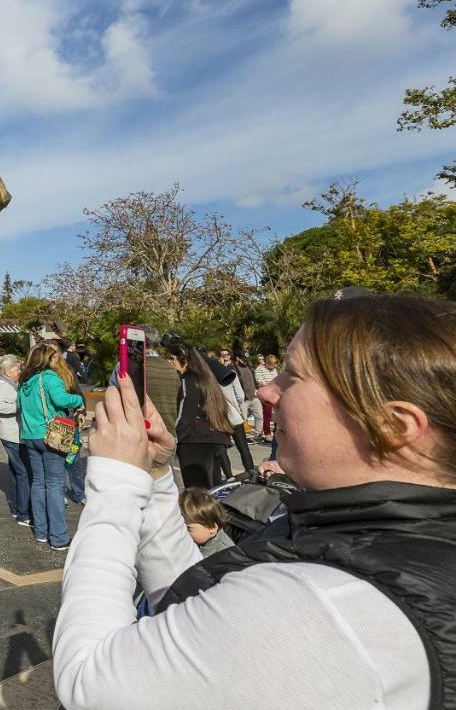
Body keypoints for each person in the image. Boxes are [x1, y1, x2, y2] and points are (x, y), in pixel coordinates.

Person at [54, 293, 456, 710]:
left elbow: (90, 682)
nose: (266, 392)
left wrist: (116, 482)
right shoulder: (389, 540)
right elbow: (203, 605)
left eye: (293, 376)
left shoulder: (326, 609)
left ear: (393, 426)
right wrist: (156, 477)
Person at [18, 343, 84, 550]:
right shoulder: (49, 378)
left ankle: (41, 531)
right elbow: (62, 399)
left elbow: (19, 407)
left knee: (38, 483)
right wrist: (78, 399)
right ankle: (58, 537)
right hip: (51, 435)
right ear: (48, 359)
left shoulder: (25, 381)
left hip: (30, 435)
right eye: (55, 357)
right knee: (55, 485)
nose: (58, 360)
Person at [164, 339, 234, 489]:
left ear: (183, 359)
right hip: (215, 438)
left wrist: (174, 438)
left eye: (172, 358)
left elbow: (185, 414)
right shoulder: (207, 379)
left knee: (197, 495)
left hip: (194, 442)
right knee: (213, 492)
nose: (170, 363)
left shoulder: (187, 380)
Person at [0, 355, 31, 527]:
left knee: (16, 472)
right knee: (22, 472)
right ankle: (23, 512)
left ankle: (17, 508)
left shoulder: (7, 384)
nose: (19, 372)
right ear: (7, 371)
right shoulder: (3, 386)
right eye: (16, 370)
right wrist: (20, 406)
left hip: (12, 433)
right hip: (12, 434)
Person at [211, 350, 255, 477]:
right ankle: (251, 470)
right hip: (234, 415)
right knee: (243, 446)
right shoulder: (231, 374)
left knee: (222, 449)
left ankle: (229, 476)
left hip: (218, 417)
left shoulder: (208, 377)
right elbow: (240, 396)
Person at [178, 487, 235, 557]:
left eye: (188, 528)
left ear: (212, 528)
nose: (183, 531)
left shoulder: (225, 554)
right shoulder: (199, 539)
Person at [255, 353, 280, 440]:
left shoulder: (274, 370)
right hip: (264, 393)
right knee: (267, 413)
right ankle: (267, 433)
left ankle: (276, 431)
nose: (273, 366)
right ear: (268, 363)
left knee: (276, 413)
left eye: (274, 365)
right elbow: (259, 380)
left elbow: (277, 378)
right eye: (272, 365)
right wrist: (269, 385)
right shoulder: (259, 369)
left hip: (274, 393)